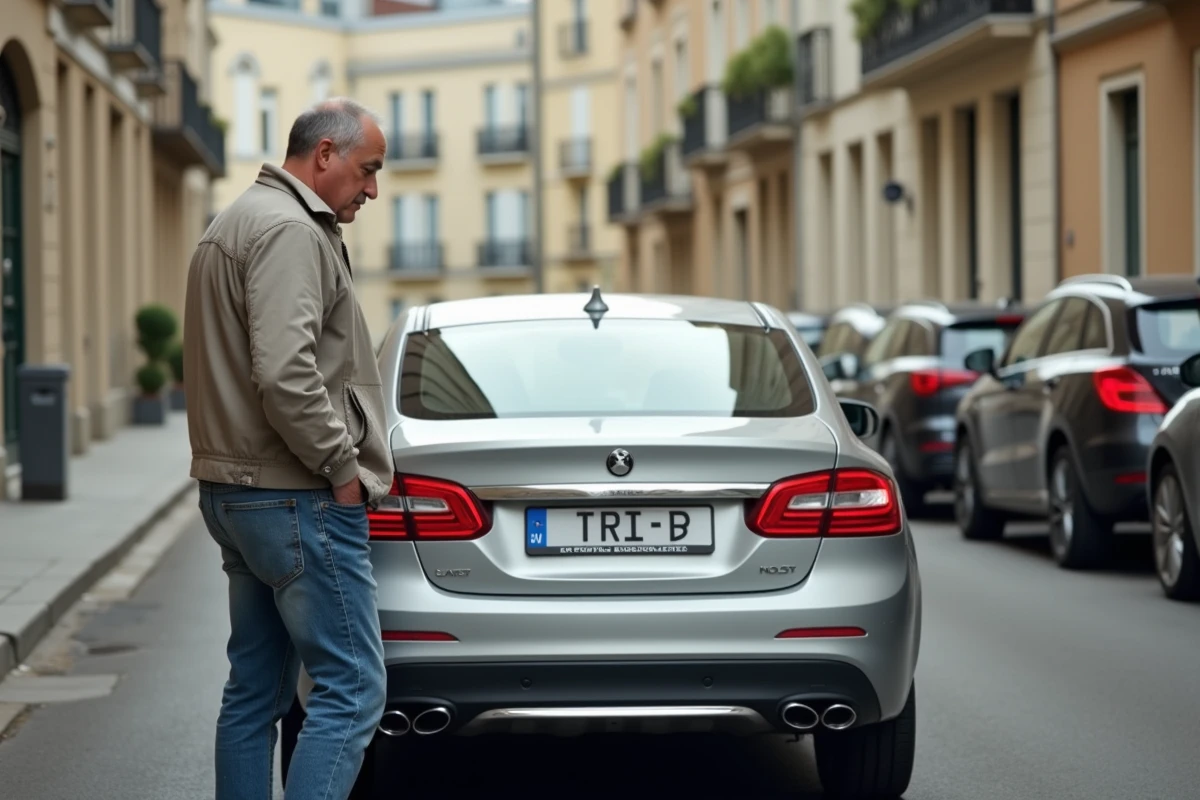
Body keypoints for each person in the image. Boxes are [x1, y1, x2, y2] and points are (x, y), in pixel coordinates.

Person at [183, 98, 393, 799]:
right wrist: (341, 470)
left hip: (237, 492)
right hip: (294, 492)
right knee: (352, 688)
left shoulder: (235, 220)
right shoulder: (291, 232)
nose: (371, 188)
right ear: (325, 155)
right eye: (366, 170)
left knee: (254, 691)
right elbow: (286, 372)